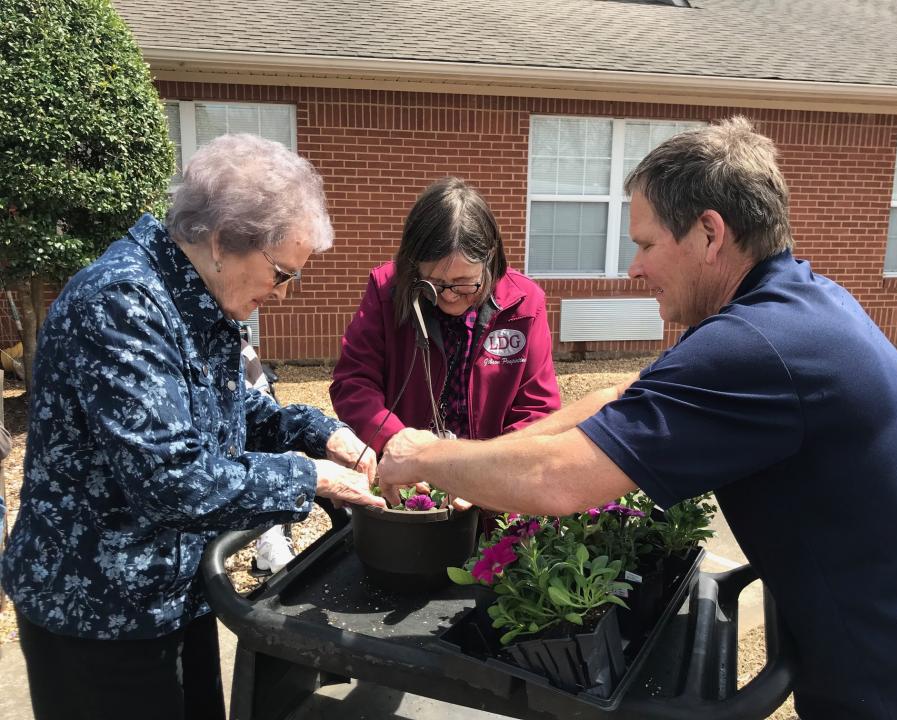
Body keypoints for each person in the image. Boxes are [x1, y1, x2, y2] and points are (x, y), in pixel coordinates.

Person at [378, 118, 897, 719]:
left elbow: (560, 480)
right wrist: (481, 458)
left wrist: (424, 455)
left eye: (646, 244)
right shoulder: (793, 304)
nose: (634, 267)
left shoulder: (757, 343)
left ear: (710, 232)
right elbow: (621, 397)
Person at [0, 133, 384, 720]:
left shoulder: (194, 295)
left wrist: (322, 435)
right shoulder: (121, 303)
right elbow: (173, 479)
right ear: (222, 241)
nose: (284, 293)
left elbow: (232, 411)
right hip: (101, 612)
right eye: (282, 272)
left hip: (171, 592)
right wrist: (312, 477)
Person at [330, 176, 560, 456]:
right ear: (413, 265)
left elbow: (538, 409)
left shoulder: (524, 303)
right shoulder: (386, 289)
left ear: (490, 260)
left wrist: (490, 465)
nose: (449, 296)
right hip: (406, 468)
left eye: (464, 282)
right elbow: (353, 382)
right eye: (434, 282)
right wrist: (394, 439)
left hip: (493, 473)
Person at [240, 337, 295, 574]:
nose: (281, 297)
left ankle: (269, 540)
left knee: (284, 448)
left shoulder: (239, 347)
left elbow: (262, 413)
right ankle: (269, 536)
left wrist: (323, 431)